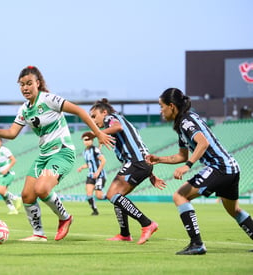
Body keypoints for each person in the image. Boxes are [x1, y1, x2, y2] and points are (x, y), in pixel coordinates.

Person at [0, 65, 113, 242]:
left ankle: (65, 217)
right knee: (27, 195)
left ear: (37, 83)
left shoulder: (49, 99)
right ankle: (38, 234)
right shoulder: (24, 109)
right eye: (21, 84)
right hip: (44, 156)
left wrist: (99, 133)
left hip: (62, 153)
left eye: (29, 83)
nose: (25, 88)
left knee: (41, 189)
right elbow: (11, 133)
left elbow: (80, 111)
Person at [146, 88, 253, 255]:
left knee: (179, 196)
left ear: (172, 106)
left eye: (161, 106)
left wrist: (188, 166)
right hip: (231, 168)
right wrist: (159, 159)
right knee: (234, 210)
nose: (160, 111)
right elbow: (181, 155)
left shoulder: (185, 121)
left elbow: (203, 143)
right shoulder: (183, 123)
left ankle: (197, 244)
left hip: (220, 168)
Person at [89, 98, 166, 244]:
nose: (93, 120)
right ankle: (124, 234)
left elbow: (118, 127)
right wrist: (151, 174)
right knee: (118, 196)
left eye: (94, 116)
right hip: (142, 163)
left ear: (104, 112)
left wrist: (97, 134)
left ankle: (147, 223)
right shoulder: (121, 119)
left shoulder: (111, 118)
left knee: (113, 195)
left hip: (136, 163)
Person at [77, 131, 107, 216]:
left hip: (99, 176)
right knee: (89, 194)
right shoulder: (85, 152)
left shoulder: (95, 149)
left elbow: (103, 160)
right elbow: (89, 163)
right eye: (84, 140)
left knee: (99, 196)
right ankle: (95, 210)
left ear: (92, 140)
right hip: (90, 175)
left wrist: (98, 172)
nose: (86, 141)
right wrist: (82, 167)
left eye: (88, 139)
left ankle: (111, 196)